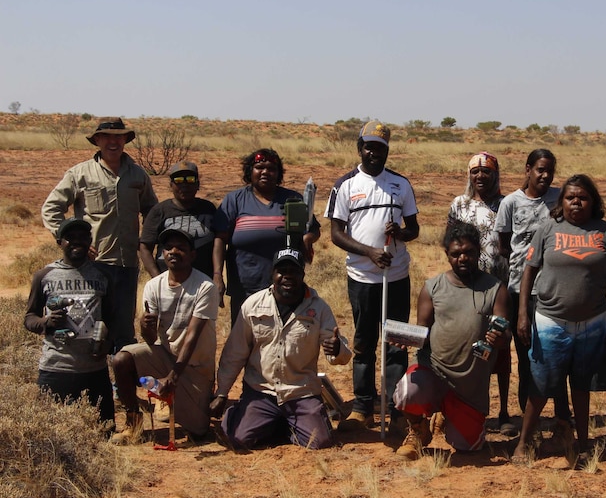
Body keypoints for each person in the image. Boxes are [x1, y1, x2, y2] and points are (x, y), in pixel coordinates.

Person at [512, 174, 606, 464]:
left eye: (583, 197)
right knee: (541, 384)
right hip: (550, 320)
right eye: (571, 197)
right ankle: (524, 443)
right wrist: (523, 315)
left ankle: (582, 443)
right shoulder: (547, 229)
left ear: (593, 202)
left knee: (582, 385)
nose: (576, 202)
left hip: (594, 321)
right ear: (562, 202)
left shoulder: (605, 232)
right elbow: (528, 273)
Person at [325, 120, 420, 432]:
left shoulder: (401, 184)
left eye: (380, 148)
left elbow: (414, 229)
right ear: (359, 148)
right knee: (365, 342)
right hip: (362, 278)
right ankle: (363, 406)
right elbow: (336, 234)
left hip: (397, 276)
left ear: (387, 151)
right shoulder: (345, 185)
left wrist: (401, 233)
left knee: (398, 343)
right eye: (369, 147)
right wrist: (369, 251)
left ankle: (396, 410)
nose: (374, 153)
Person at [209, 248, 352, 450]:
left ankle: (284, 424)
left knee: (320, 443)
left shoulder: (319, 308)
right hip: (261, 390)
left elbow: (340, 355)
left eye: (293, 271)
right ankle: (248, 416)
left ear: (302, 274)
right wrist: (222, 392)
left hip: (300, 392)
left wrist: (337, 349)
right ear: (272, 274)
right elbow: (235, 352)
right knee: (238, 440)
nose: (287, 277)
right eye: (281, 271)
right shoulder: (253, 305)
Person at [391, 222, 510, 460]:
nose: (462, 258)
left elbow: (505, 335)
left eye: (468, 252)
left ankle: (446, 416)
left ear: (478, 251)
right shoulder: (432, 287)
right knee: (404, 393)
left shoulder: (496, 289)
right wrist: (408, 339)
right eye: (456, 254)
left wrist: (498, 338)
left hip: (470, 385)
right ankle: (418, 430)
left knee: (468, 447)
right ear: (447, 255)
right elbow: (423, 331)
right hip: (434, 370)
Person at [42, 117, 158, 352]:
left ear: (126, 139)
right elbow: (50, 209)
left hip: (126, 265)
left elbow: (152, 211)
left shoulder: (137, 175)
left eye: (119, 136)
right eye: (107, 137)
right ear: (97, 140)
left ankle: (119, 386)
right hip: (93, 265)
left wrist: (146, 243)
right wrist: (69, 241)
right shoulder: (80, 174)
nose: (113, 142)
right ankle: (93, 383)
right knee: (90, 328)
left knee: (123, 330)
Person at [110, 227, 219, 444]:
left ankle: (165, 394)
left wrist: (174, 376)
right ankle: (134, 422)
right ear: (162, 254)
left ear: (192, 255)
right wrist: (145, 327)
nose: (173, 252)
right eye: (168, 247)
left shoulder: (205, 286)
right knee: (122, 359)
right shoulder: (153, 286)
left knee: (199, 431)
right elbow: (151, 340)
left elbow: (192, 336)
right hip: (165, 356)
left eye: (181, 248)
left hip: (195, 368)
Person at [494, 149, 572, 440]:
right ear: (528, 169)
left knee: (557, 356)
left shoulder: (560, 197)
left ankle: (563, 420)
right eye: (539, 169)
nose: (545, 175)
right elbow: (504, 245)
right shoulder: (511, 203)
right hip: (520, 291)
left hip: (555, 291)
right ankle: (532, 426)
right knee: (527, 359)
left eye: (549, 170)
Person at [447, 151, 516, 436]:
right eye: (475, 172)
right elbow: (450, 242)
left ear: (495, 175)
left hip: (501, 286)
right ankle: (473, 408)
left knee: (499, 344)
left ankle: (504, 411)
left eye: (486, 172)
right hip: (469, 286)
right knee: (472, 345)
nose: (480, 177)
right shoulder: (459, 205)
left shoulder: (507, 204)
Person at [213, 148, 321, 326]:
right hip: (244, 286)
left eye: (271, 168)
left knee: (282, 339)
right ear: (250, 171)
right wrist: (218, 275)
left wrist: (308, 238)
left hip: (285, 286)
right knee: (243, 342)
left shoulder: (292, 199)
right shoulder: (235, 200)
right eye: (259, 167)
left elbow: (313, 228)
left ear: (278, 173)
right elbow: (220, 239)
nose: (265, 172)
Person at [24, 218, 114, 424]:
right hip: (56, 367)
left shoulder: (102, 275)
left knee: (103, 432)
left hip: (94, 370)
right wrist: (46, 322)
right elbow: (29, 318)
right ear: (59, 242)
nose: (77, 242)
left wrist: (107, 344)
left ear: (90, 240)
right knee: (51, 432)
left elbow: (111, 319)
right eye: (70, 238)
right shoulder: (44, 276)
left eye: (83, 237)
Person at [139, 161, 217, 279]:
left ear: (198, 184)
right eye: (179, 180)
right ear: (171, 185)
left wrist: (217, 275)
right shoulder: (159, 211)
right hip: (168, 280)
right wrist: (157, 279)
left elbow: (219, 242)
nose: (184, 185)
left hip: (203, 281)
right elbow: (144, 247)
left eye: (190, 179)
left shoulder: (209, 209)